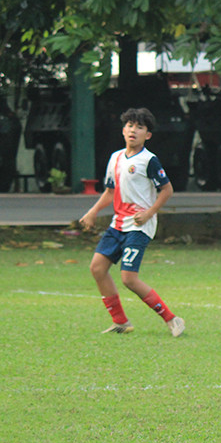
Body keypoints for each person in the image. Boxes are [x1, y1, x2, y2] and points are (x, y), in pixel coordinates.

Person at [79, 108, 184, 337]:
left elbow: (167, 190)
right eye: (129, 125)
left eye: (139, 127)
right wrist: (93, 211)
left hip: (139, 225)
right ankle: (121, 322)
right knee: (97, 268)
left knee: (128, 278)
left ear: (148, 135)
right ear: (123, 130)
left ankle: (172, 319)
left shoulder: (149, 160)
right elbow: (109, 191)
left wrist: (149, 212)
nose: (133, 130)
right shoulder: (116, 157)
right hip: (118, 223)